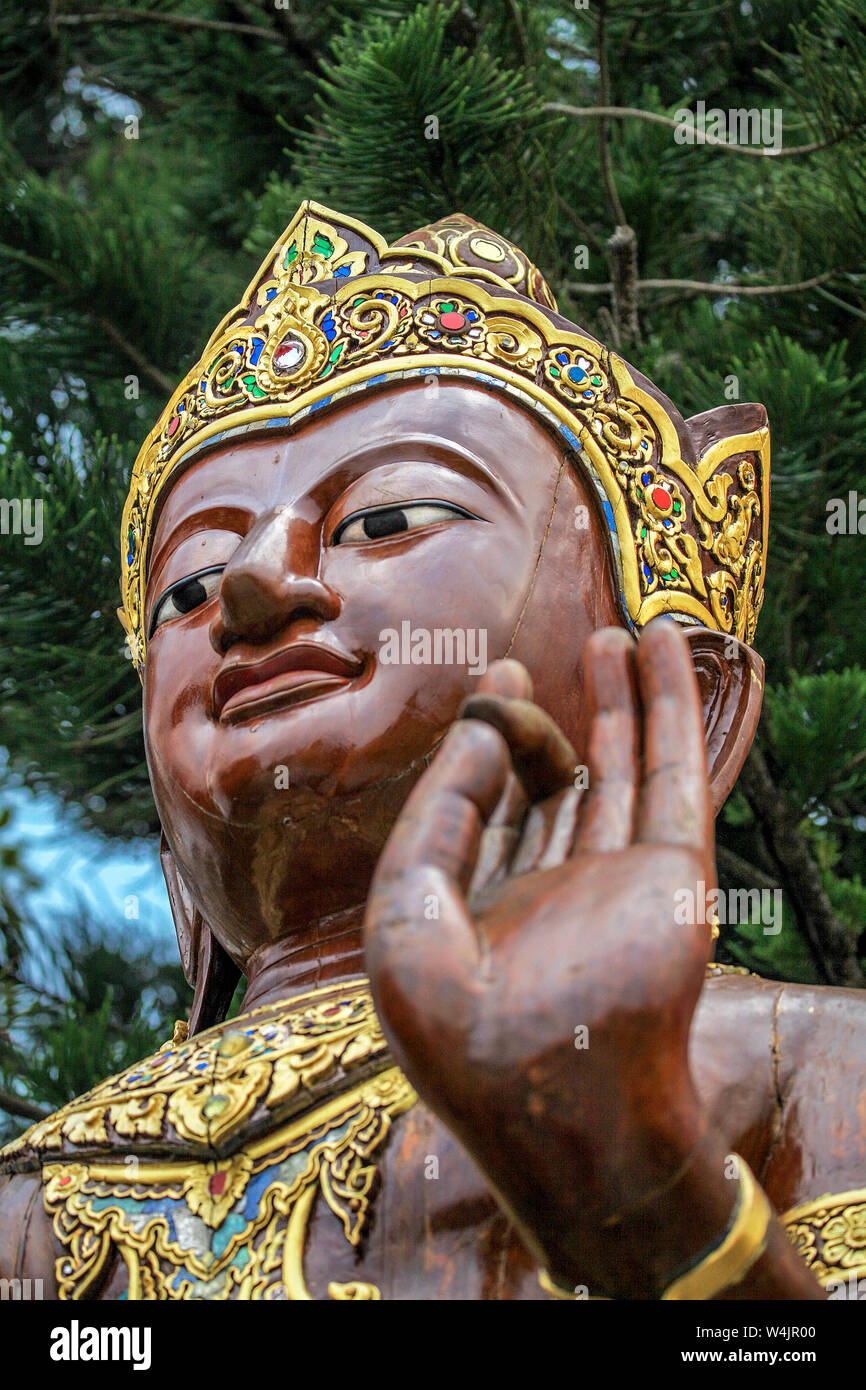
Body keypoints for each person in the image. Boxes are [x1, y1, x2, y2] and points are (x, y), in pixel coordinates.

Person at [1, 204, 863, 1300]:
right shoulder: (36, 1204)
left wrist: (662, 1208)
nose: (256, 587)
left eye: (388, 517)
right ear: (172, 868)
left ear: (678, 704)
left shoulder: (804, 1070)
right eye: (188, 585)